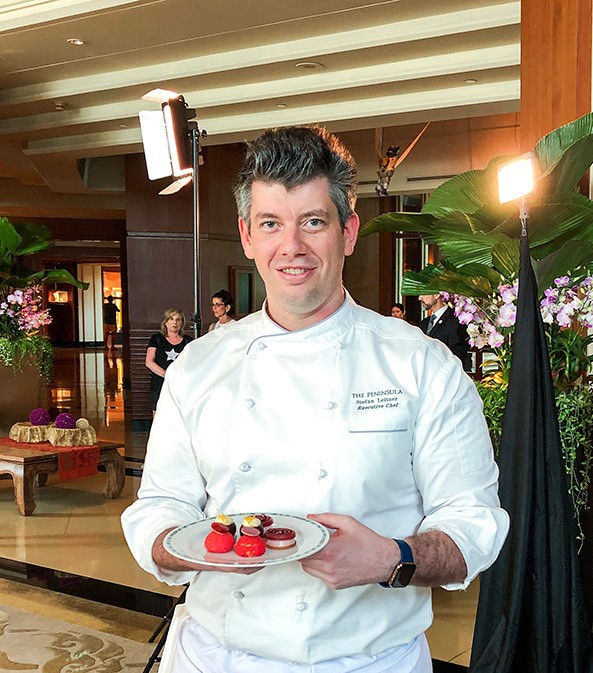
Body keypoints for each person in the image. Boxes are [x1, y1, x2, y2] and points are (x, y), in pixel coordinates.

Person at [122, 126, 509, 673]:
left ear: (348, 231)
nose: (292, 246)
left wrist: (392, 558)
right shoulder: (198, 367)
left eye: (313, 221)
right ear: (247, 236)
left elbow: (474, 522)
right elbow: (160, 507)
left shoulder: (421, 365)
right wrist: (183, 546)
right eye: (271, 223)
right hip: (215, 657)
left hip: (371, 662)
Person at [145, 308, 192, 417]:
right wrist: (167, 375)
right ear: (165, 322)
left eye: (178, 320)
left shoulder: (188, 341)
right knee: (158, 415)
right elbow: (149, 362)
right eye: (171, 319)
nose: (174, 322)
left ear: (182, 323)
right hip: (159, 382)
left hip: (180, 384)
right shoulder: (156, 339)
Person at [419, 293, 470, 368]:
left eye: (423, 294)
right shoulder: (424, 323)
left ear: (436, 295)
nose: (420, 298)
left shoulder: (455, 321)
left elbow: (458, 354)